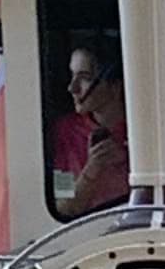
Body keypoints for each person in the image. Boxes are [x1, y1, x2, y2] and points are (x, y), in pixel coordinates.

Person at [50, 47, 129, 213]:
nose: (72, 88)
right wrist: (93, 169)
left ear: (115, 86)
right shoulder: (64, 133)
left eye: (85, 78)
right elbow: (64, 207)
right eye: (72, 76)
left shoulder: (146, 131)